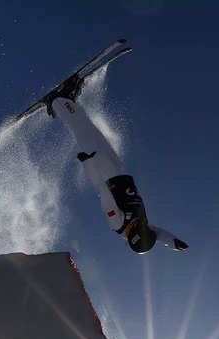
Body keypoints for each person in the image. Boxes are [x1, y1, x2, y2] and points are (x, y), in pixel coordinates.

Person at [46, 80, 188, 254]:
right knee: (92, 130)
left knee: (82, 130)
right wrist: (173, 242)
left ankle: (56, 101)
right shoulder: (140, 224)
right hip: (119, 171)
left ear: (137, 235)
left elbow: (102, 191)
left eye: (145, 232)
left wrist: (88, 163)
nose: (149, 228)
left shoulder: (118, 223)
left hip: (102, 171)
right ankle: (68, 102)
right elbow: (158, 234)